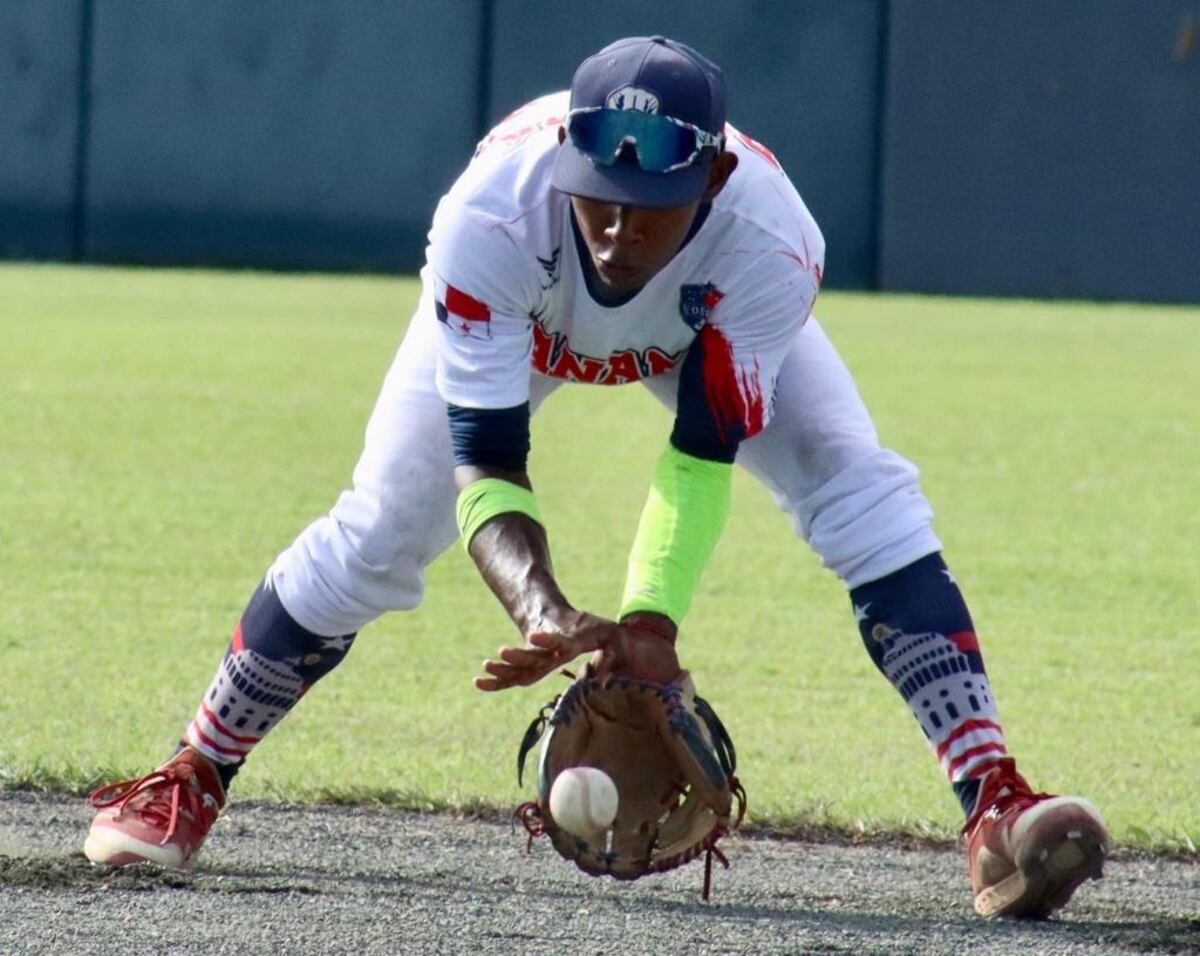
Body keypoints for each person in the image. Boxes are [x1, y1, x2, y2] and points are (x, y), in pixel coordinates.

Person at [84, 36, 1108, 919]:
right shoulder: (491, 215)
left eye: (651, 207)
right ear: (569, 161)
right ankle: (192, 774)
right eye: (602, 201)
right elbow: (485, 461)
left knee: (861, 491)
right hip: (527, 326)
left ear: (708, 182)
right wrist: (545, 610)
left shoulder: (769, 239)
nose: (618, 232)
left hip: (698, 331)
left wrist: (649, 624)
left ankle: (995, 807)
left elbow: (701, 451)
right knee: (381, 528)